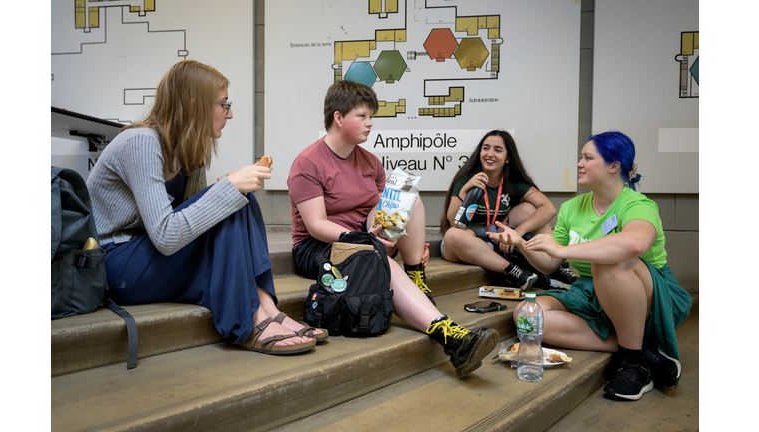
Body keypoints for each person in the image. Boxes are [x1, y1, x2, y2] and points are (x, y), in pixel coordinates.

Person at [86, 60, 326, 356]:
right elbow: (167, 236)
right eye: (224, 105)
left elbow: (203, 226)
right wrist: (226, 190)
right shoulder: (142, 142)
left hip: (148, 255)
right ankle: (249, 320)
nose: (230, 113)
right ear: (194, 103)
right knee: (231, 196)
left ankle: (265, 307)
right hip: (115, 264)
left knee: (239, 199)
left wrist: (226, 192)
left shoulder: (188, 152)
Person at [287, 79, 499, 378]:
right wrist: (364, 241)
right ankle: (452, 339)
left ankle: (416, 274)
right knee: (376, 260)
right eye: (362, 116)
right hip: (318, 246)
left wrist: (395, 235)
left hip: (362, 238)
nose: (370, 123)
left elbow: (384, 212)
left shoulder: (370, 162)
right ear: (338, 117)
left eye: (371, 116)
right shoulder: (308, 162)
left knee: (406, 193)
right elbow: (317, 225)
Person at [488, 131, 692, 400]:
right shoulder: (573, 207)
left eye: (587, 157)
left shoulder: (638, 205)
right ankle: (640, 350)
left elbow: (634, 244)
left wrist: (563, 249)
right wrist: (521, 244)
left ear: (613, 166)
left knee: (608, 263)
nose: (579, 164)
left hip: (648, 294)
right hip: (591, 291)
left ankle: (634, 366)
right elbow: (549, 264)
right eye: (580, 158)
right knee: (528, 316)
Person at [440, 130, 577, 290]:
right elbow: (453, 221)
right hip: (465, 242)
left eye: (497, 150)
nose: (490, 154)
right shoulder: (467, 178)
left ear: (508, 158)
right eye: (486, 148)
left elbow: (549, 209)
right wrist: (465, 190)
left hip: (495, 237)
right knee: (453, 235)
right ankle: (513, 271)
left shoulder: (512, 181)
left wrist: (518, 232)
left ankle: (553, 264)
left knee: (530, 209)